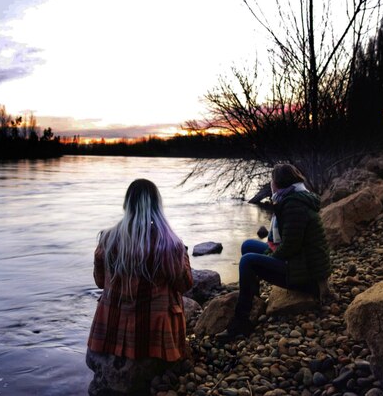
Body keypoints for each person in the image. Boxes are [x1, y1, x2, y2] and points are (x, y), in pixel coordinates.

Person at [86, 179, 193, 395]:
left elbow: (100, 282)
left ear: (127, 204)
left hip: (111, 329)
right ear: (157, 205)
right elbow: (185, 285)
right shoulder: (170, 243)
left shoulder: (107, 239)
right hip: (153, 333)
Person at [217, 163, 331, 341]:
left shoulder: (294, 206)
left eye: (272, 180)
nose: (270, 184)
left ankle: (242, 322)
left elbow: (289, 247)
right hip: (300, 261)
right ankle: (253, 302)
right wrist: (270, 256)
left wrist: (269, 257)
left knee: (248, 261)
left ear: (278, 183)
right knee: (248, 245)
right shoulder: (295, 198)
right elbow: (289, 245)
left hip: (308, 278)